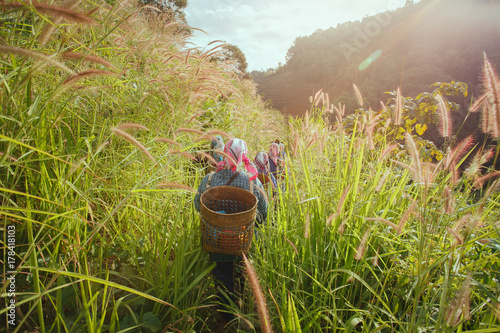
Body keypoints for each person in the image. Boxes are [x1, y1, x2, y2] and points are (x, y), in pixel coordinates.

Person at [194, 138, 268, 324]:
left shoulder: (209, 179)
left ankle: (226, 316)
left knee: (222, 273)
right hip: (243, 241)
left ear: (224, 153)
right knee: (244, 270)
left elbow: (198, 205)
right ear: (243, 155)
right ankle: (243, 305)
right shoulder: (252, 182)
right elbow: (264, 212)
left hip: (216, 240)